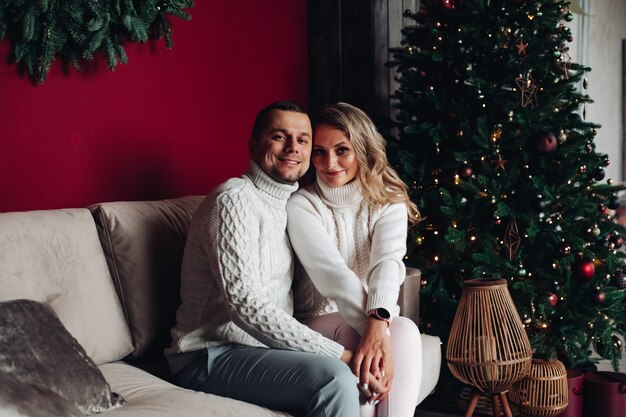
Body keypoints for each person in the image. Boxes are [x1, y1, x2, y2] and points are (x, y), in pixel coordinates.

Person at [165, 101, 360, 417]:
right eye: (279, 136)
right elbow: (245, 304)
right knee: (334, 379)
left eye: (303, 140)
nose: (293, 148)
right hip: (209, 354)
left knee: (371, 347)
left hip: (261, 349)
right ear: (254, 147)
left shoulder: (291, 206)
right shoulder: (233, 199)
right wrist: (336, 354)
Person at [287, 102, 423, 417]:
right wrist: (374, 330)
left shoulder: (387, 200)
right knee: (372, 339)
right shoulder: (301, 205)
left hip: (364, 315)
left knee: (404, 330)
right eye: (319, 152)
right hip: (314, 320)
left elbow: (387, 264)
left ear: (361, 149)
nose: (329, 162)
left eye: (342, 150)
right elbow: (333, 276)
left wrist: (380, 324)